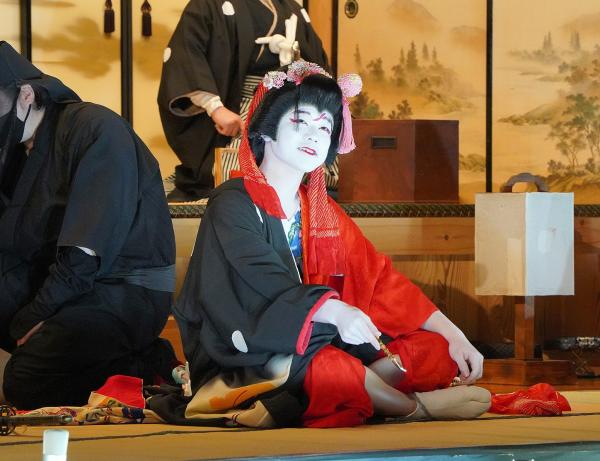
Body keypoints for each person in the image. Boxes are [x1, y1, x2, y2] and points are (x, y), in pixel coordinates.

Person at [161, 61, 491, 428]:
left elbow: (379, 279)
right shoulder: (233, 202)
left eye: (324, 127)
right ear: (266, 130)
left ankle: (358, 390)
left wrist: (454, 334)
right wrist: (333, 312)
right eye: (299, 122)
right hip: (249, 350)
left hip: (320, 339)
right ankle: (413, 408)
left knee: (436, 351)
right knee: (324, 364)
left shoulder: (319, 209)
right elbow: (261, 278)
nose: (314, 136)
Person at [0, 41, 177, 410]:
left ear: (26, 95)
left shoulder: (95, 128)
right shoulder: (17, 148)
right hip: (60, 282)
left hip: (121, 290)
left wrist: (32, 318)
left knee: (25, 379)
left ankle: (146, 366)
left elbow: (85, 253)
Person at [157, 0, 329, 201]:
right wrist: (216, 108)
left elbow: (317, 66)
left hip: (290, 107)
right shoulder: (210, 3)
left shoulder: (293, 9)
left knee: (316, 167)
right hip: (242, 106)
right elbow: (187, 55)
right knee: (241, 176)